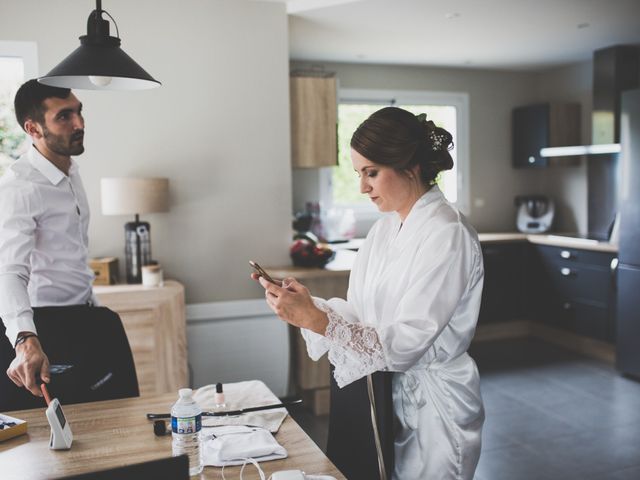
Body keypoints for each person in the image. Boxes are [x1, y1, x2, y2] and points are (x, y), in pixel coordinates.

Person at [253, 107, 485, 480]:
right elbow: (360, 313)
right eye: (359, 174)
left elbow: (409, 339)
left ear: (409, 166)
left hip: (434, 406)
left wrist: (318, 320)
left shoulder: (448, 233)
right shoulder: (382, 231)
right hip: (381, 395)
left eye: (371, 173)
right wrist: (310, 307)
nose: (362, 187)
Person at [0, 80, 137, 410]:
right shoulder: (21, 187)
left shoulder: (70, 170)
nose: (79, 123)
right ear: (33, 128)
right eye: (64, 116)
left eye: (78, 111)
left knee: (121, 414)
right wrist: (24, 338)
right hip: (44, 329)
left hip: (85, 316)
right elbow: (8, 271)